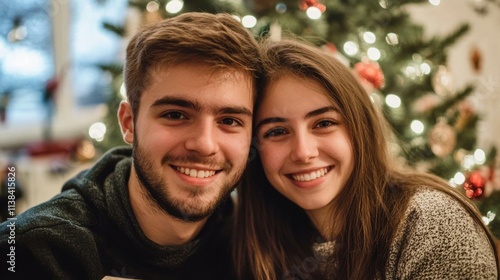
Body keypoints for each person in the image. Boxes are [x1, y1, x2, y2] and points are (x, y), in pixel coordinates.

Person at [0, 12, 261, 279]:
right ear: (128, 123)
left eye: (229, 120)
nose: (205, 145)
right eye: (175, 115)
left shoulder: (259, 246)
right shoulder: (34, 252)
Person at [233, 38, 499, 280]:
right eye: (277, 131)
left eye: (324, 123)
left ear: (360, 127)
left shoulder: (433, 223)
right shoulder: (257, 239)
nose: (303, 152)